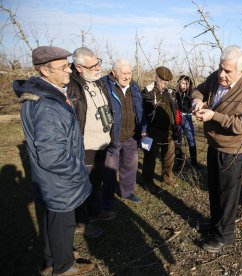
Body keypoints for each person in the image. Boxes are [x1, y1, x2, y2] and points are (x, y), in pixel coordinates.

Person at [13, 46, 94, 274]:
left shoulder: (47, 95)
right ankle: (64, 266)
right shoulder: (48, 105)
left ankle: (53, 258)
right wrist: (78, 170)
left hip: (50, 179)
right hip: (60, 179)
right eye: (63, 67)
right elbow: (52, 156)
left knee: (53, 220)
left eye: (68, 64)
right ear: (44, 71)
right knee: (63, 224)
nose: (69, 70)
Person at [192, 45, 242, 253]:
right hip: (214, 143)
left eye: (228, 71)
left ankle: (224, 235)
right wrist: (197, 100)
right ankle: (215, 224)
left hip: (233, 150)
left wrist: (215, 116)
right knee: (214, 188)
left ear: (241, 71)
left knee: (228, 194)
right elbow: (198, 89)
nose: (222, 74)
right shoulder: (216, 77)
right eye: (221, 68)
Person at [67, 47, 116, 239]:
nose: (98, 68)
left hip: (102, 143)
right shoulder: (72, 86)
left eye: (98, 62)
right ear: (79, 67)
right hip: (85, 145)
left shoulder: (99, 83)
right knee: (82, 185)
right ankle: (82, 222)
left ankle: (95, 211)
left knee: (96, 182)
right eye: (93, 65)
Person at [101, 59, 147, 211]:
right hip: (113, 136)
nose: (127, 76)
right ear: (114, 73)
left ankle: (127, 192)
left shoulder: (134, 86)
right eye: (124, 73)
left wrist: (143, 128)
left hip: (132, 135)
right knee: (109, 171)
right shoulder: (104, 85)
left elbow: (140, 109)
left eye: (129, 73)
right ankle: (107, 200)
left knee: (130, 167)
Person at [141, 66, 178, 188]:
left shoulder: (171, 93)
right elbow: (142, 113)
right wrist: (144, 131)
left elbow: (175, 111)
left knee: (169, 155)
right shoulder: (147, 91)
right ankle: (147, 181)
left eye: (167, 81)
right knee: (150, 157)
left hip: (169, 131)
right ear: (156, 77)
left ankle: (167, 177)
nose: (165, 83)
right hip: (152, 131)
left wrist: (175, 127)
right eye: (163, 80)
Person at [174, 75, 202, 171]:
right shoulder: (175, 93)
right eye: (182, 83)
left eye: (186, 83)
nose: (184, 85)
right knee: (178, 141)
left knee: (191, 140)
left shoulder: (190, 94)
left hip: (187, 117)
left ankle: (194, 162)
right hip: (177, 117)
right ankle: (179, 164)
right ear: (179, 83)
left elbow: (196, 99)